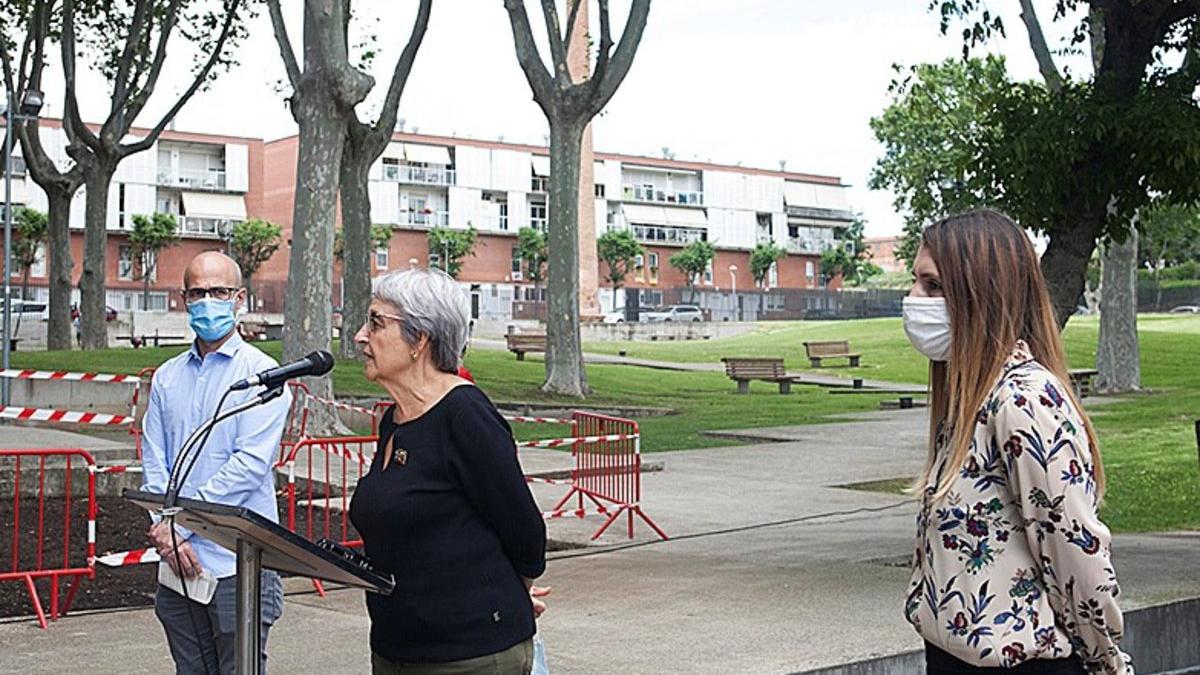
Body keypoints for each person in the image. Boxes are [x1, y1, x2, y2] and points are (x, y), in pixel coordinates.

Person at [902, 210, 1130, 674]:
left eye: (933, 286)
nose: (913, 299)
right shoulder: (971, 399)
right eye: (915, 283)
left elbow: (1075, 552)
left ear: (979, 294)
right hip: (953, 657)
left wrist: (1108, 663)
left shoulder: (1024, 401)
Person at [349, 268, 547, 675]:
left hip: (469, 654)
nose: (359, 336)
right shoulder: (395, 420)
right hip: (396, 646)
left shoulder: (465, 416)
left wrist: (510, 594)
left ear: (420, 339)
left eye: (375, 322)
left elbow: (526, 533)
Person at [141, 251, 291, 675]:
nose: (208, 301)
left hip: (236, 563)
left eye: (219, 291)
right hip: (178, 563)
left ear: (239, 297)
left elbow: (248, 467)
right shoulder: (168, 377)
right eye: (198, 292)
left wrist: (177, 526)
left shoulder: (264, 376)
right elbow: (154, 460)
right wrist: (169, 532)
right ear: (185, 299)